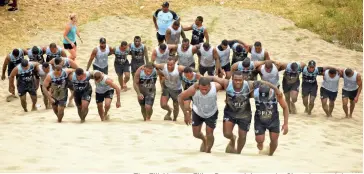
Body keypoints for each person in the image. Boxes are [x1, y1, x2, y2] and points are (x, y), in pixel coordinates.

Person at [209, 72, 281, 154]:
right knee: (227, 134)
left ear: (243, 79)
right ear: (232, 79)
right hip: (230, 113)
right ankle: (233, 139)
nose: (238, 82)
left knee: (242, 136)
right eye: (235, 80)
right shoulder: (227, 83)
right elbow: (214, 78)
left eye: (240, 80)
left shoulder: (249, 85)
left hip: (245, 115)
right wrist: (199, 79)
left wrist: (276, 89)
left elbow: (262, 82)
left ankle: (238, 152)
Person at [178, 77, 223, 153]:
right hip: (197, 112)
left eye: (206, 89)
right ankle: (204, 139)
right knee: (196, 134)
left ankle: (208, 151)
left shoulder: (216, 86)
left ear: (210, 86)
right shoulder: (193, 89)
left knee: (209, 133)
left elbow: (227, 85)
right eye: (202, 89)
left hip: (212, 113)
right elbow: (180, 97)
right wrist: (186, 114)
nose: (204, 91)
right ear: (199, 86)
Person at [253, 84, 288, 156]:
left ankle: (270, 155)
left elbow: (285, 107)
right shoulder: (254, 93)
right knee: (259, 140)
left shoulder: (277, 95)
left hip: (273, 120)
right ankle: (260, 144)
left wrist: (286, 124)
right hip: (259, 120)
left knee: (274, 140)